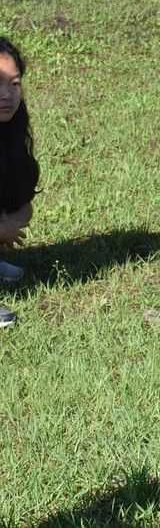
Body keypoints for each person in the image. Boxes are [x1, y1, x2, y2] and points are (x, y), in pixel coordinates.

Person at [0, 36, 40, 328]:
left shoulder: (11, 127)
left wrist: (16, 217)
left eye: (14, 84)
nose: (6, 95)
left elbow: (21, 193)